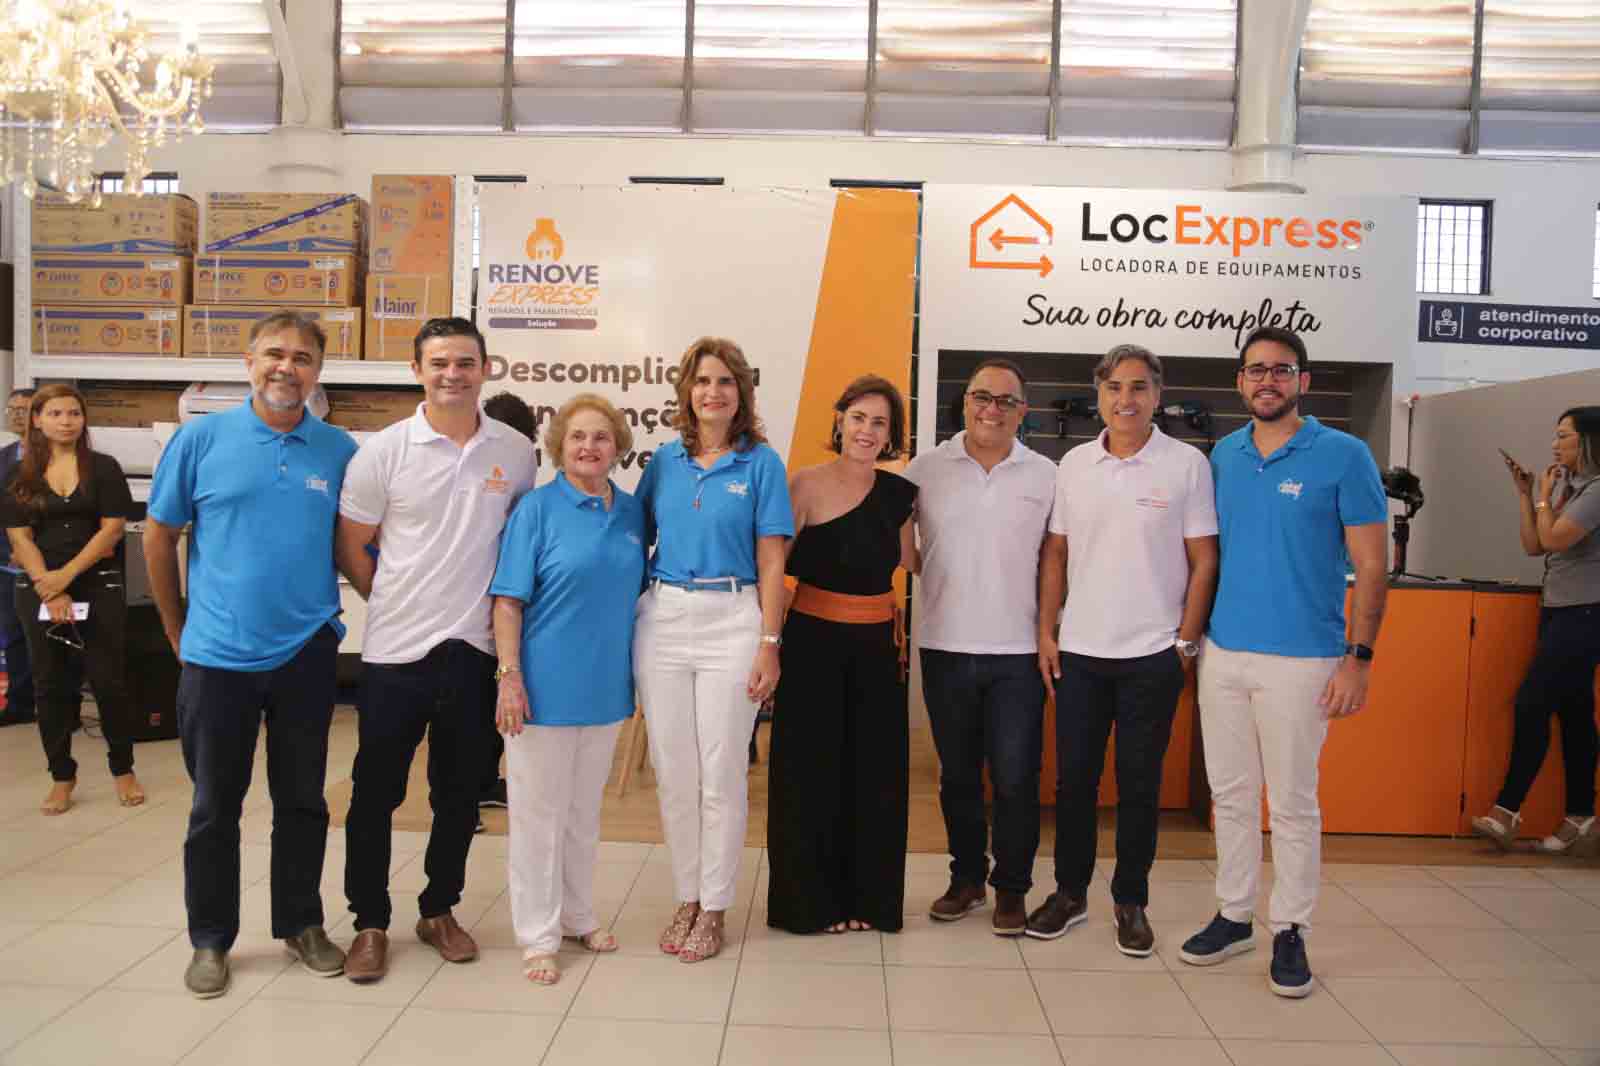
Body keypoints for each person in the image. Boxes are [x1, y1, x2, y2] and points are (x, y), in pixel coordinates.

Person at [146, 310, 358, 999]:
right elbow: (159, 536)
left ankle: (301, 924)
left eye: (302, 358)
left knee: (302, 800)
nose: (286, 368)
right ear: (248, 361)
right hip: (218, 657)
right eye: (274, 354)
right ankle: (210, 939)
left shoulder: (338, 450)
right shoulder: (200, 439)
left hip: (305, 653)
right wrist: (177, 631)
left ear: (318, 371)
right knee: (215, 806)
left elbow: (352, 545)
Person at [1178, 325, 1388, 999]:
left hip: (1304, 660)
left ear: (1303, 380)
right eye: (1255, 370)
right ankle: (1234, 914)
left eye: (1280, 369)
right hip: (1225, 652)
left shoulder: (1344, 455)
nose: (1266, 380)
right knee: (1231, 795)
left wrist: (1358, 659)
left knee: (1292, 802)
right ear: (1239, 382)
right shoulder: (1224, 455)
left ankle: (1290, 928)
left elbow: (1372, 565)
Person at [335, 318, 537, 983]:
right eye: (440, 363)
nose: (453, 374)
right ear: (417, 370)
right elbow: (352, 544)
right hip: (395, 651)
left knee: (458, 796)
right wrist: (390, 598)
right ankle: (369, 922)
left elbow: (518, 544)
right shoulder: (384, 452)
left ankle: (438, 909)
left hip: (474, 650)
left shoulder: (515, 452)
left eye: (466, 363)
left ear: (486, 368)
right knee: (375, 794)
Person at [1028, 345, 1218, 955]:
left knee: (1139, 786)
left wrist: (1185, 642)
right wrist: (1047, 632)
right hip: (1080, 654)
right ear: (1099, 395)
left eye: (1138, 387)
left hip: (1153, 656)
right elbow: (1056, 553)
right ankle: (1070, 893)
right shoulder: (1074, 465)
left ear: (1157, 395)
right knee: (1074, 784)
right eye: (1114, 387)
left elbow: (1204, 559)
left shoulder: (1187, 465)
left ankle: (1130, 900)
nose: (1125, 399)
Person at [634, 336, 793, 963]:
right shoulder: (663, 462)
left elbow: (773, 560)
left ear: (742, 393)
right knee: (675, 773)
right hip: (665, 618)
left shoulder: (762, 465)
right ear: (686, 391)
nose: (713, 392)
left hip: (733, 617)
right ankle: (688, 896)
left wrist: (769, 643)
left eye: (725, 381)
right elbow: (634, 540)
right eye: (702, 381)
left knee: (722, 774)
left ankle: (716, 904)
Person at [491, 393, 644, 984]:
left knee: (583, 815)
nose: (589, 446)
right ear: (559, 446)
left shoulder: (631, 513)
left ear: (618, 447)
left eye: (601, 437)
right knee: (538, 819)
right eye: (578, 436)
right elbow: (508, 601)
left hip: (605, 690)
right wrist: (509, 677)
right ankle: (538, 935)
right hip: (542, 691)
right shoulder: (536, 509)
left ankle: (579, 916)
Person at [904, 358, 1056, 936]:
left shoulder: (1046, 474)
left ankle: (1011, 889)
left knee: (1016, 777)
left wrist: (1048, 631)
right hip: (944, 646)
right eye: (981, 398)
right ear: (965, 402)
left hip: (1019, 652)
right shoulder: (926, 469)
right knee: (959, 777)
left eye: (1006, 401)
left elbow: (1057, 561)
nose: (992, 409)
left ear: (1023, 412)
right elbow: (905, 547)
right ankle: (967, 879)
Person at [767, 375, 917, 935]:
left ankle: (868, 901)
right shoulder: (803, 484)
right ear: (839, 421)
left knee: (875, 776)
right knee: (810, 773)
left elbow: (915, 562)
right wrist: (769, 642)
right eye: (858, 418)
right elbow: (772, 568)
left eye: (879, 422)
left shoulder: (901, 495)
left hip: (878, 649)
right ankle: (810, 903)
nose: (867, 431)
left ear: (891, 434)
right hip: (812, 645)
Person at [1, 384, 143, 815]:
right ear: (37, 420)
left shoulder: (104, 467)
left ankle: (123, 769)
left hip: (96, 581)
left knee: (108, 681)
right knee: (49, 684)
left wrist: (66, 576)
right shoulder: (18, 473)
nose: (66, 422)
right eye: (56, 414)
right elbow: (19, 537)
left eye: (74, 414)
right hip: (39, 585)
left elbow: (111, 530)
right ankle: (62, 776)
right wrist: (50, 584)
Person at [1472, 406, 1600, 856]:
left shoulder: (1597, 490)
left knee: (1532, 702)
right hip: (1560, 609)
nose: (1554, 445)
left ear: (1588, 441)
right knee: (1575, 712)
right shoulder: (1572, 487)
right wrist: (1526, 496)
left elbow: (1555, 539)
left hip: (1586, 612)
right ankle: (1581, 816)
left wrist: (1544, 497)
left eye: (1564, 436)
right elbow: (1533, 545)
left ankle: (1506, 809)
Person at [477, 390, 540, 813]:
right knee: (481, 706)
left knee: (491, 703)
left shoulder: (522, 468)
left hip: (504, 598)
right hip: (483, 601)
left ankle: (483, 782)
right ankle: (477, 785)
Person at [0, 387, 38, 728]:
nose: (15, 415)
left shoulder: (59, 457)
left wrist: (26, 549)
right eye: (11, 409)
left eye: (23, 409)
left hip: (49, 562)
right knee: (13, 634)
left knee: (54, 634)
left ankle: (62, 706)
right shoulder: (4, 457)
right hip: (7, 563)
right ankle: (20, 703)